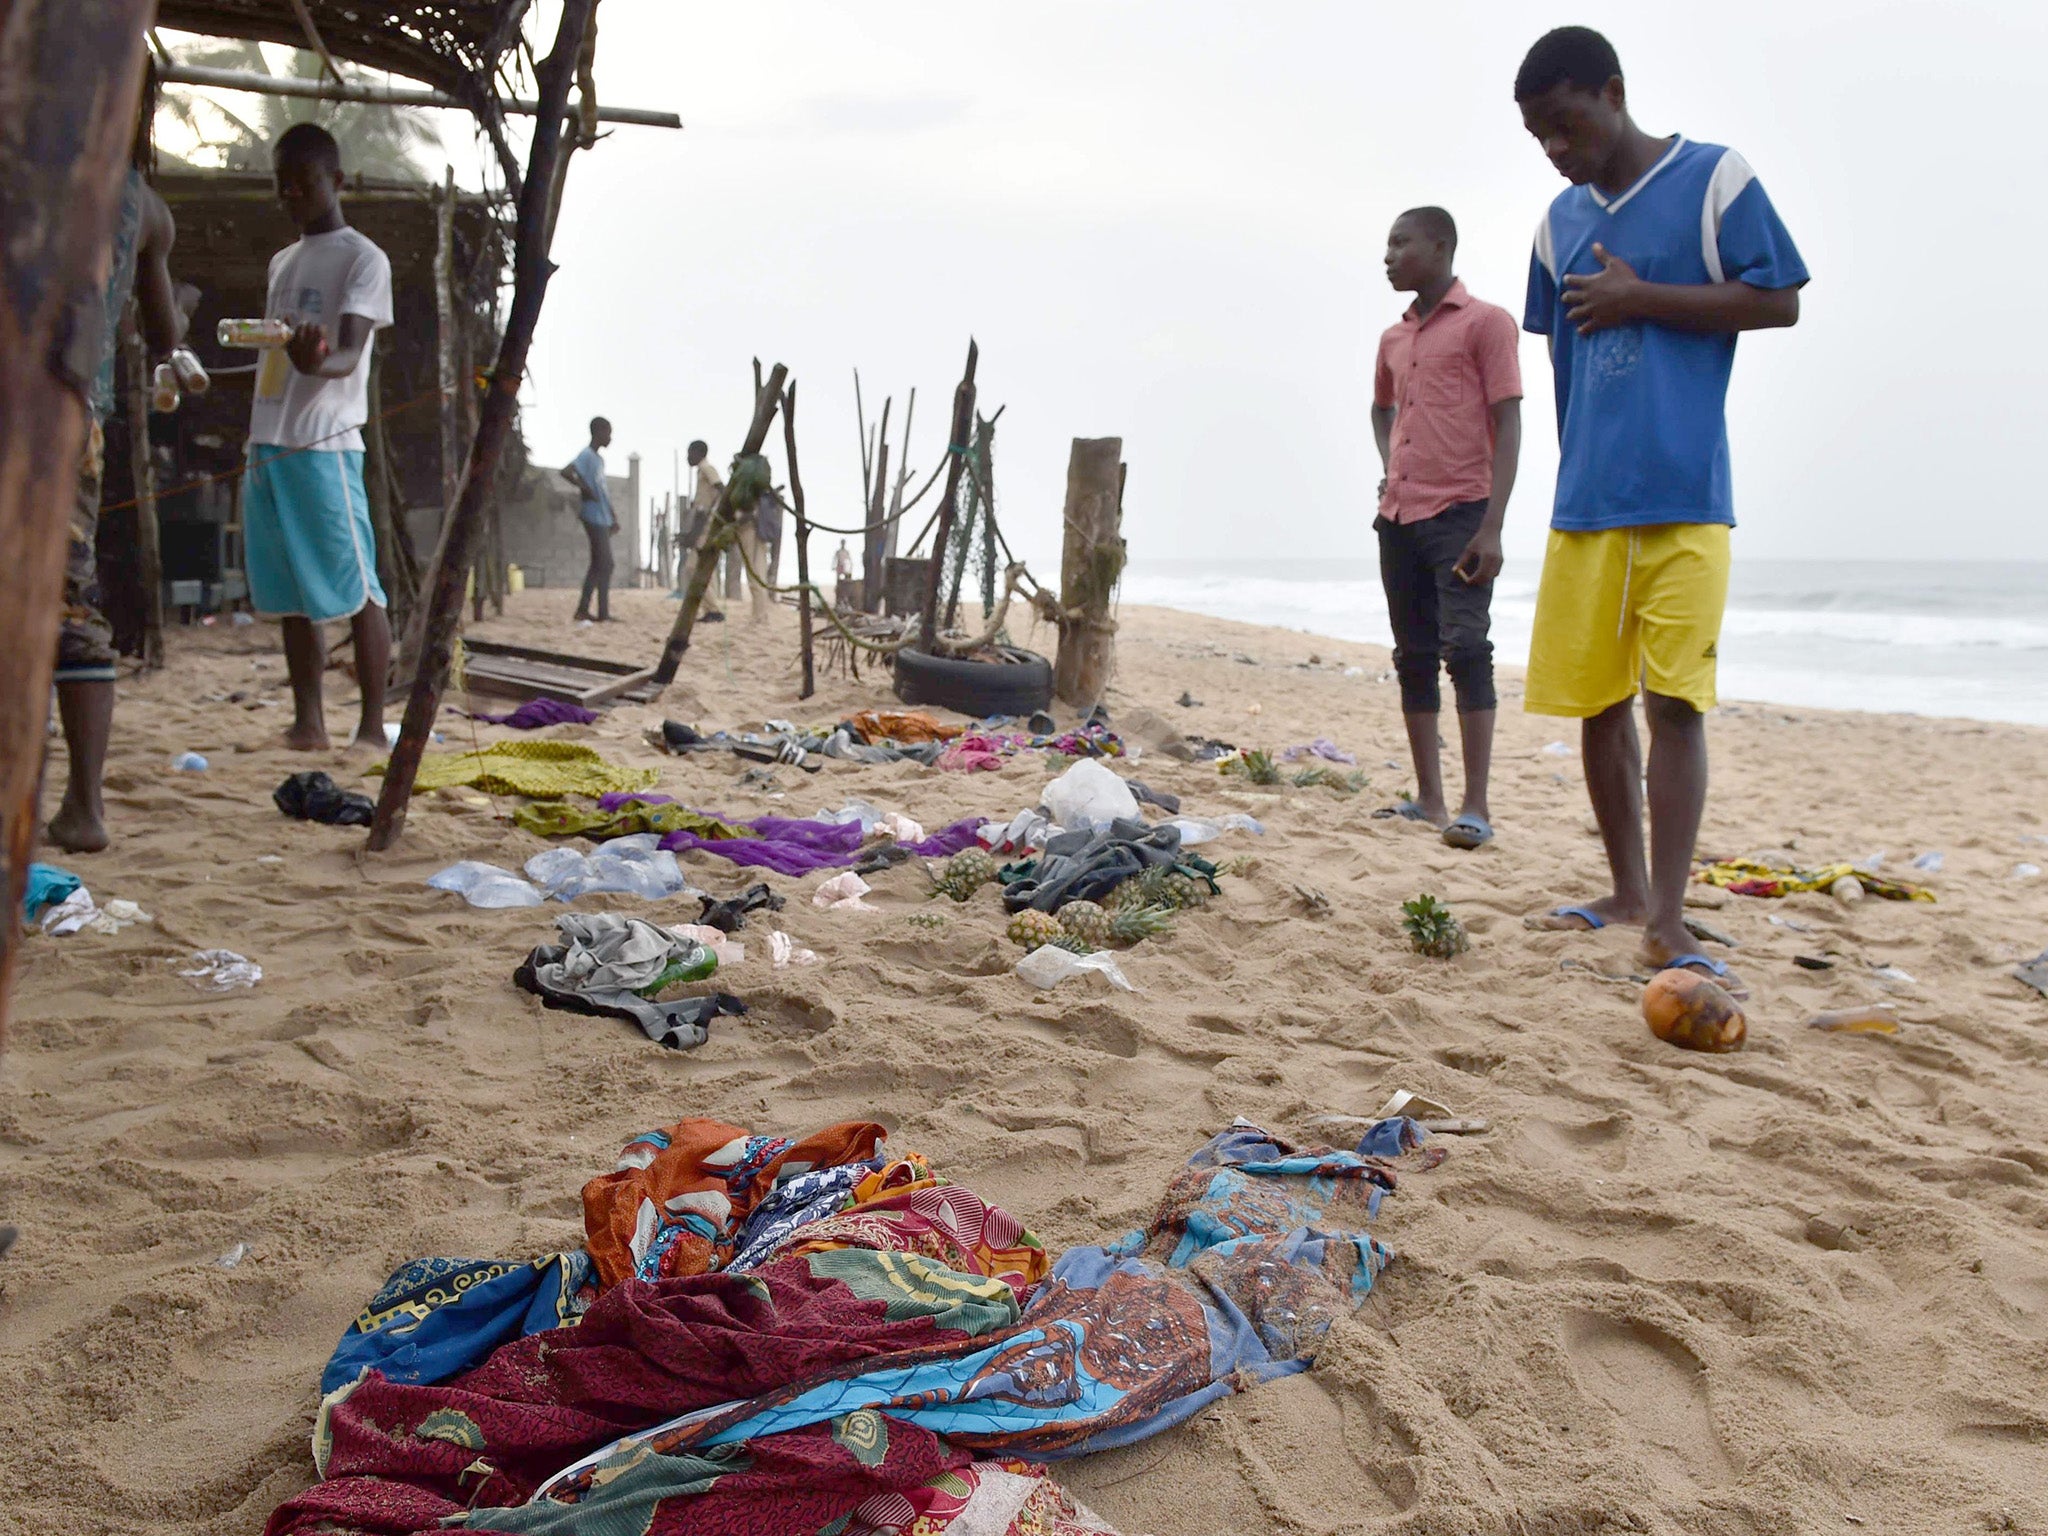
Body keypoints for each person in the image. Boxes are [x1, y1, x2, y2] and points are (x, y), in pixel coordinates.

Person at [1515, 25, 1806, 988]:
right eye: (1539, 138)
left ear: (1612, 93)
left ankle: (1669, 920)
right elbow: (1560, 364)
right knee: (1596, 701)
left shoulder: (1715, 180)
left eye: (1566, 125)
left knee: (1674, 699)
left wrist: (1646, 297)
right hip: (1589, 499)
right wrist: (1566, 476)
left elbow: (1779, 301)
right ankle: (1627, 891)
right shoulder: (1556, 224)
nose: (1557, 149)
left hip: (1686, 491)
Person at [47, 65, 187, 853]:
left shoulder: (38, 168)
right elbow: (170, 336)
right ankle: (82, 806)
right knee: (65, 606)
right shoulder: (147, 207)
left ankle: (81, 809)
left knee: (56, 612)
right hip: (76, 423)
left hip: (39, 416)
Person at [1370, 206, 1522, 850]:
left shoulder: (1487, 324)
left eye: (1400, 243)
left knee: (1467, 649)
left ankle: (1475, 804)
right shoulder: (1393, 339)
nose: (1388, 256)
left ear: (1440, 246)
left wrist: (1493, 526)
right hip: (1398, 516)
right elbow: (1381, 410)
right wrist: (1390, 468)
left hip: (1462, 512)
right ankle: (1429, 799)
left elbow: (1509, 421)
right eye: (1387, 245)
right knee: (1413, 656)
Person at [242, 122, 394, 754]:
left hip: (325, 445)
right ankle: (309, 724)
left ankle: (369, 727)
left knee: (358, 587)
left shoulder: (364, 258)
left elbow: (350, 352)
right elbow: (276, 354)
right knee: (289, 594)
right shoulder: (283, 261)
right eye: (282, 185)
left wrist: (317, 361)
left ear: (336, 181)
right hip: (268, 440)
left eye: (303, 183)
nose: (291, 195)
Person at [561, 416, 617, 623]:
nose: (610, 438)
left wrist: (613, 515)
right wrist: (583, 489)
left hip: (602, 516)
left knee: (600, 564)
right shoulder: (586, 455)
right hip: (592, 516)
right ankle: (595, 611)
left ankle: (594, 611)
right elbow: (566, 471)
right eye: (608, 433)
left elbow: (602, 490)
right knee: (605, 563)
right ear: (598, 432)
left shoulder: (599, 460)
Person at [682, 439, 724, 621]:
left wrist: (715, 511)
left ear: (698, 452)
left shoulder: (707, 469)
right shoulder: (701, 472)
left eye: (689, 453)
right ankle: (711, 609)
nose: (687, 457)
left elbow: (722, 489)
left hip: (706, 523)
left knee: (692, 567)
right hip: (704, 521)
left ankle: (713, 609)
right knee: (706, 566)